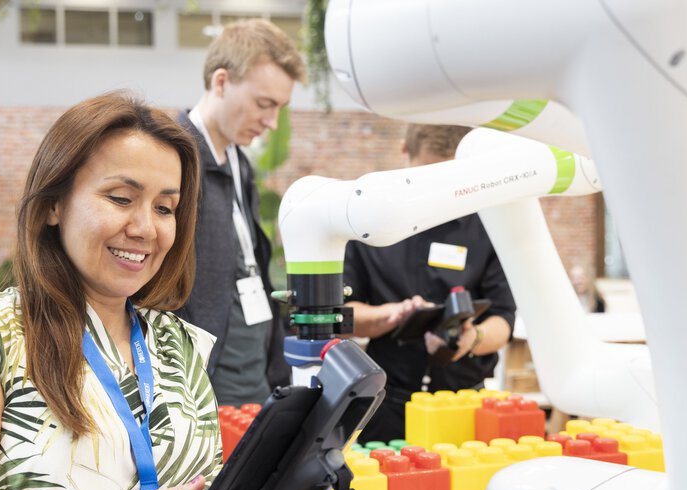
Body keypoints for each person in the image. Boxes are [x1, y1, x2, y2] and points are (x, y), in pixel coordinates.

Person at [0, 92, 237, 490]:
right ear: (53, 204)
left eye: (165, 208)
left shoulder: (180, 343)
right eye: (121, 198)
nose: (146, 227)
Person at [343, 124, 517, 443]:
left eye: (449, 177)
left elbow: (504, 319)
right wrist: (389, 316)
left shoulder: (488, 227)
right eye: (429, 174)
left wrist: (473, 337)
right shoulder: (369, 225)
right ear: (404, 153)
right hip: (387, 405)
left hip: (464, 404)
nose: (439, 190)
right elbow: (342, 315)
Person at [176, 19, 306, 407]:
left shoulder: (238, 161)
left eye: (279, 108)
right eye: (264, 104)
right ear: (221, 82)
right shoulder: (175, 158)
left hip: (256, 367)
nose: (271, 122)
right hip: (207, 379)